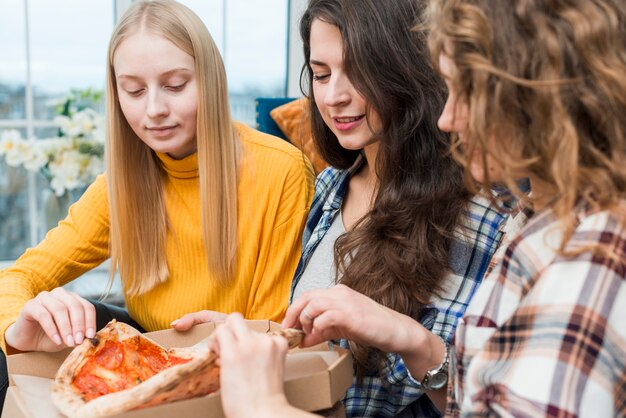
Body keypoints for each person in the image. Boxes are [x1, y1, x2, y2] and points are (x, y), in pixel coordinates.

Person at [214, 0, 626, 416]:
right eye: (320, 74)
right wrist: (248, 338)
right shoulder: (535, 225)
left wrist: (260, 405)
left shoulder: (574, 248)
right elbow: (474, 399)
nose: (447, 119)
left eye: (467, 91)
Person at [184, 0, 507, 416]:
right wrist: (251, 336)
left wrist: (410, 338)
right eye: (321, 74)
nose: (334, 96)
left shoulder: (481, 214)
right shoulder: (330, 185)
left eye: (358, 71)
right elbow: (319, 345)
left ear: (408, 70)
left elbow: (476, 405)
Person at [0, 0, 313, 408]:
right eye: (133, 90)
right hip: (144, 361)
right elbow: (18, 276)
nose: (154, 110)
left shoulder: (282, 170)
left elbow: (274, 330)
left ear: (211, 82)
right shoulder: (120, 184)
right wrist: (15, 329)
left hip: (234, 372)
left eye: (175, 85)